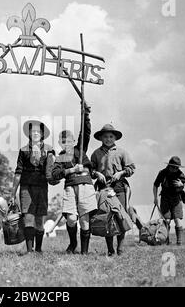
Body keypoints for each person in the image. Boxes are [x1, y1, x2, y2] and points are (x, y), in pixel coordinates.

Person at [51, 102, 95, 255]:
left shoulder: (80, 149)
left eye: (69, 141)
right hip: (70, 187)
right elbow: (54, 175)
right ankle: (73, 242)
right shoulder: (60, 158)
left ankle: (84, 252)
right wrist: (70, 170)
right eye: (63, 142)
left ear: (74, 141)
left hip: (85, 185)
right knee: (71, 219)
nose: (67, 144)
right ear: (60, 143)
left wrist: (85, 114)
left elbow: (86, 131)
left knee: (84, 219)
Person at [91, 124, 135, 256]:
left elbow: (131, 168)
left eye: (111, 136)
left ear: (115, 137)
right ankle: (110, 249)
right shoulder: (96, 153)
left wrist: (120, 173)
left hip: (119, 187)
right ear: (101, 138)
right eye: (105, 137)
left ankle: (120, 248)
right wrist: (97, 174)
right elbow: (90, 170)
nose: (108, 139)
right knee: (106, 218)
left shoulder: (122, 152)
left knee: (121, 217)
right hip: (103, 189)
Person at [11, 117, 54, 254]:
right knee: (28, 218)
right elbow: (18, 173)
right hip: (26, 187)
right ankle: (30, 251)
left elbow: (53, 171)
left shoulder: (49, 150)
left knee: (39, 220)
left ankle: (39, 250)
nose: (35, 133)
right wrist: (13, 194)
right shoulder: (23, 150)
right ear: (29, 134)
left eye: (38, 131)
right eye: (33, 131)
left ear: (42, 134)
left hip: (41, 187)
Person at [153, 156, 185, 245]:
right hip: (165, 198)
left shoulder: (179, 173)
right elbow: (155, 185)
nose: (175, 169)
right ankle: (166, 240)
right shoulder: (162, 173)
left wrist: (182, 183)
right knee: (166, 220)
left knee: (177, 219)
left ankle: (179, 242)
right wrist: (155, 198)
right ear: (169, 166)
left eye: (177, 168)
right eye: (173, 167)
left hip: (176, 198)